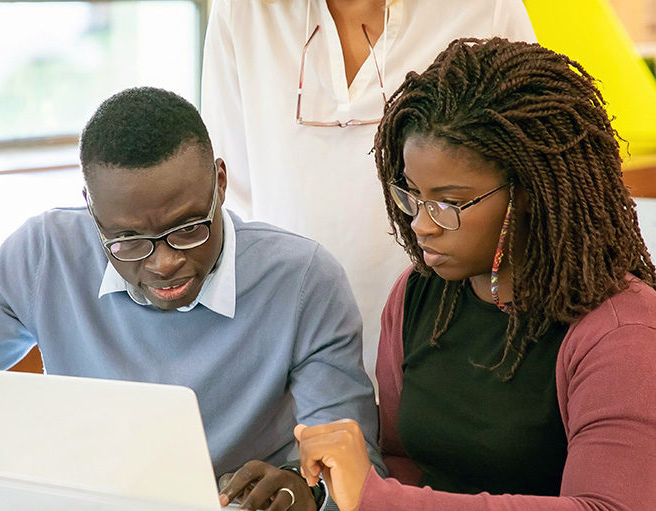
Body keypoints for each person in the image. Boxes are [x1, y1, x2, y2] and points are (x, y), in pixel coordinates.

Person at [0, 87, 383, 511]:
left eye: (189, 228)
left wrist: (309, 495)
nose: (165, 263)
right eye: (127, 240)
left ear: (220, 183)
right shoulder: (42, 255)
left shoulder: (303, 280)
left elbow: (359, 483)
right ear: (91, 209)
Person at [294, 38, 656, 511]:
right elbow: (403, 459)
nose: (421, 224)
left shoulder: (622, 332)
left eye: (448, 202)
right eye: (411, 196)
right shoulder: (418, 296)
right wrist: (321, 498)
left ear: (529, 192)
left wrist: (377, 501)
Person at [201, 0, 537, 386]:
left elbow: (529, 188)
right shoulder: (241, 12)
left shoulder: (488, 9)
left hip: (455, 354)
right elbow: (234, 209)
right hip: (292, 360)